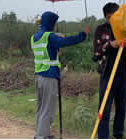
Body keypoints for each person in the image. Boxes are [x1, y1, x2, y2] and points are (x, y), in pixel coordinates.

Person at [31, 11, 90, 139]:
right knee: (47, 109)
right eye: (55, 23)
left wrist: (55, 51)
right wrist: (83, 35)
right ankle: (41, 136)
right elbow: (67, 41)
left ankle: (41, 133)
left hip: (39, 77)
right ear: (51, 23)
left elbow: (46, 51)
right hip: (49, 76)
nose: (55, 25)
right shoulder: (50, 37)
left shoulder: (35, 37)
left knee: (41, 107)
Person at [93, 2, 126, 139]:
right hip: (107, 73)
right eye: (110, 17)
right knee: (104, 108)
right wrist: (111, 45)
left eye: (115, 16)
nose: (113, 19)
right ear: (105, 17)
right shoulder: (101, 30)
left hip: (124, 73)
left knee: (122, 107)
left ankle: (118, 134)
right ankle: (103, 137)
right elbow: (97, 50)